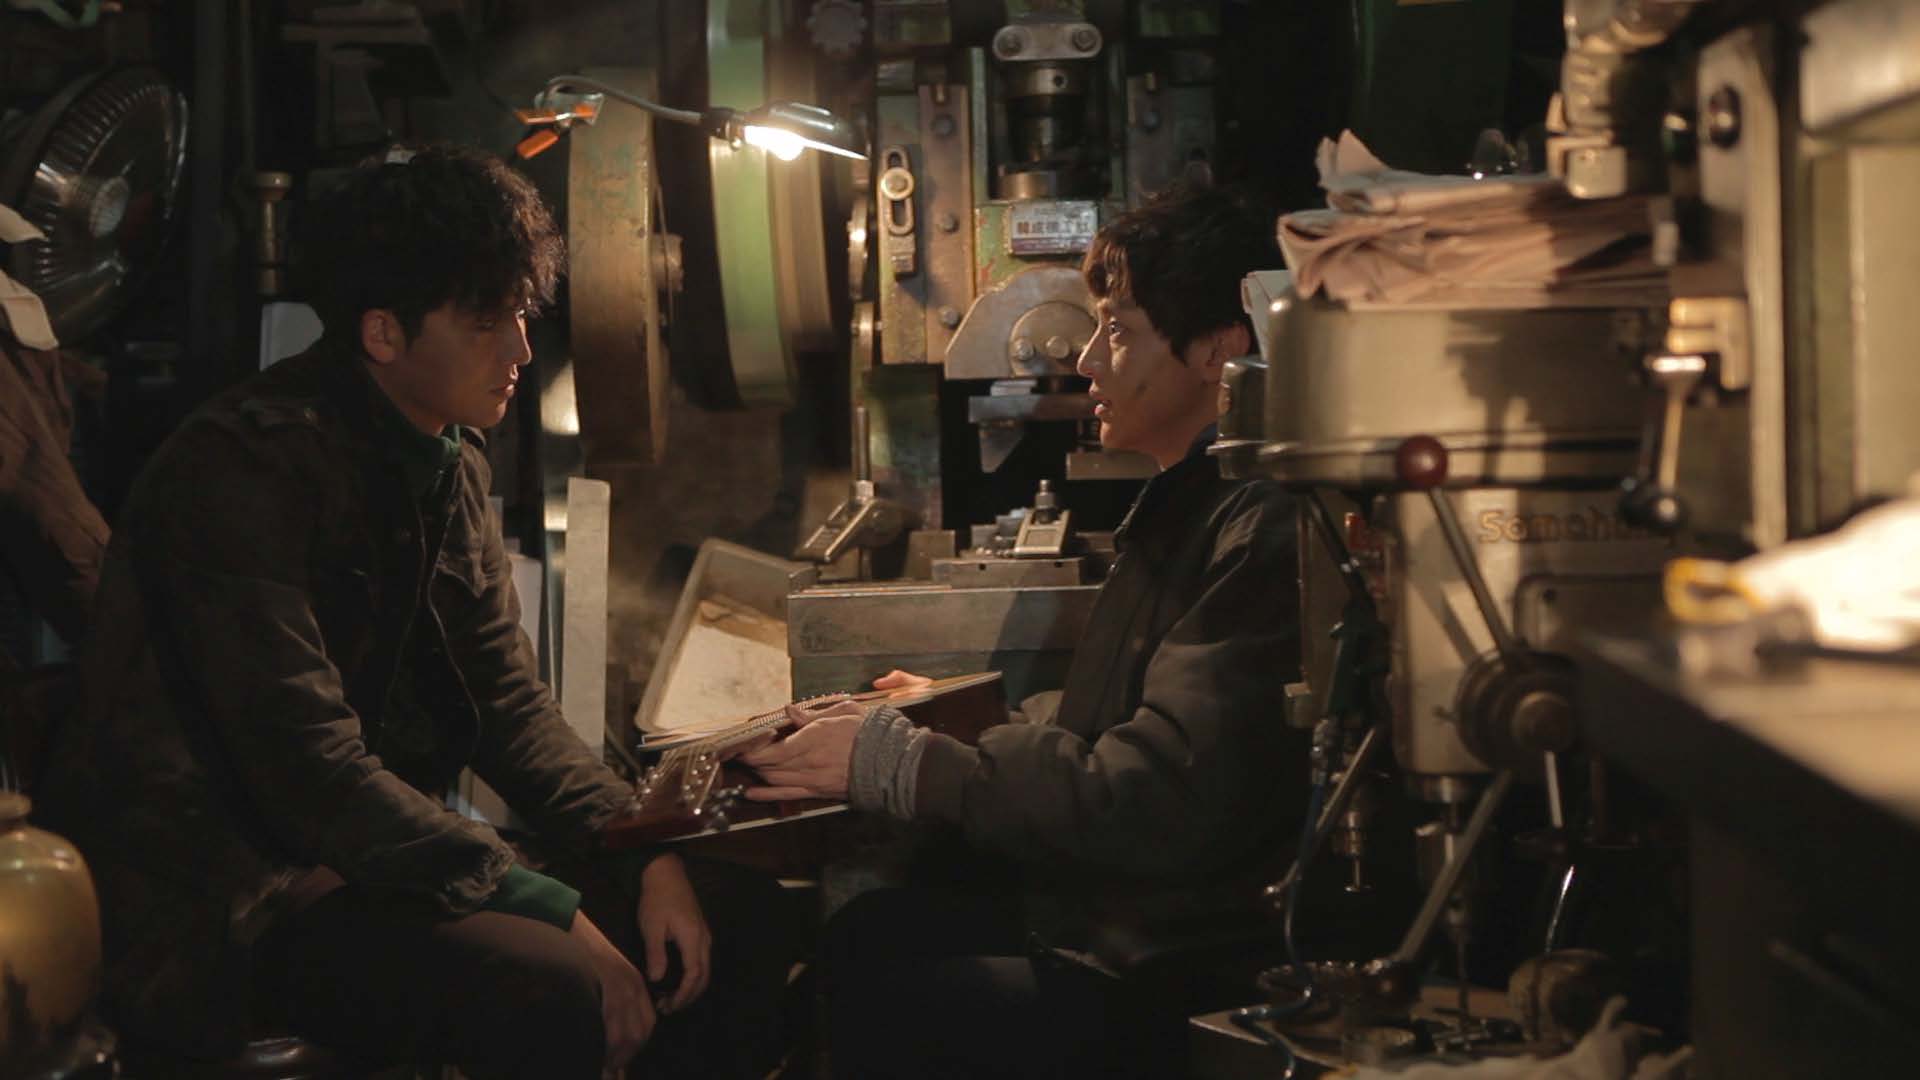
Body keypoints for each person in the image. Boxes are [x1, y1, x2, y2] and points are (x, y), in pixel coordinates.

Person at [38, 145, 790, 1079]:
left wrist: (641, 846)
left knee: (736, 917)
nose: (520, 351)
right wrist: (546, 906)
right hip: (231, 899)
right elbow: (309, 768)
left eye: (522, 315)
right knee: (553, 984)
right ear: (383, 334)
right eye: (486, 323)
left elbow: (507, 707)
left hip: (362, 855)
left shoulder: (447, 461)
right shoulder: (242, 467)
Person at [739, 183, 1318, 1079]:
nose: (1085, 358)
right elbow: (1125, 728)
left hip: (1188, 965)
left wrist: (909, 765)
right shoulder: (1192, 508)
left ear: (1220, 348)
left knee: (888, 986)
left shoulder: (1263, 529)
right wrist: (961, 718)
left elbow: (1157, 799)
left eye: (1117, 330)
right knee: (872, 932)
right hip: (1127, 922)